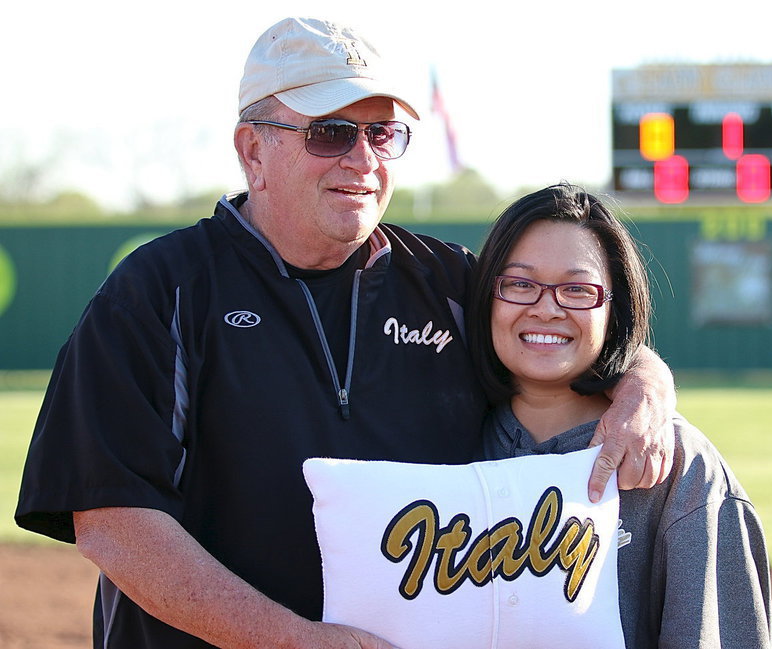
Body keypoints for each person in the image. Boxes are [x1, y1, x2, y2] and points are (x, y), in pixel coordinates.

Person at [15, 17, 675, 649]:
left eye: (383, 134)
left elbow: (561, 327)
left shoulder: (446, 282)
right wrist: (288, 639)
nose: (363, 157)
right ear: (253, 150)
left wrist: (648, 382)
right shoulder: (159, 292)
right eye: (330, 132)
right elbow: (111, 521)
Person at [468, 183, 772, 648]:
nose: (546, 308)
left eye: (577, 289)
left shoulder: (679, 469)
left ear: (615, 308)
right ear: (488, 296)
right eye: (520, 284)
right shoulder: (443, 439)